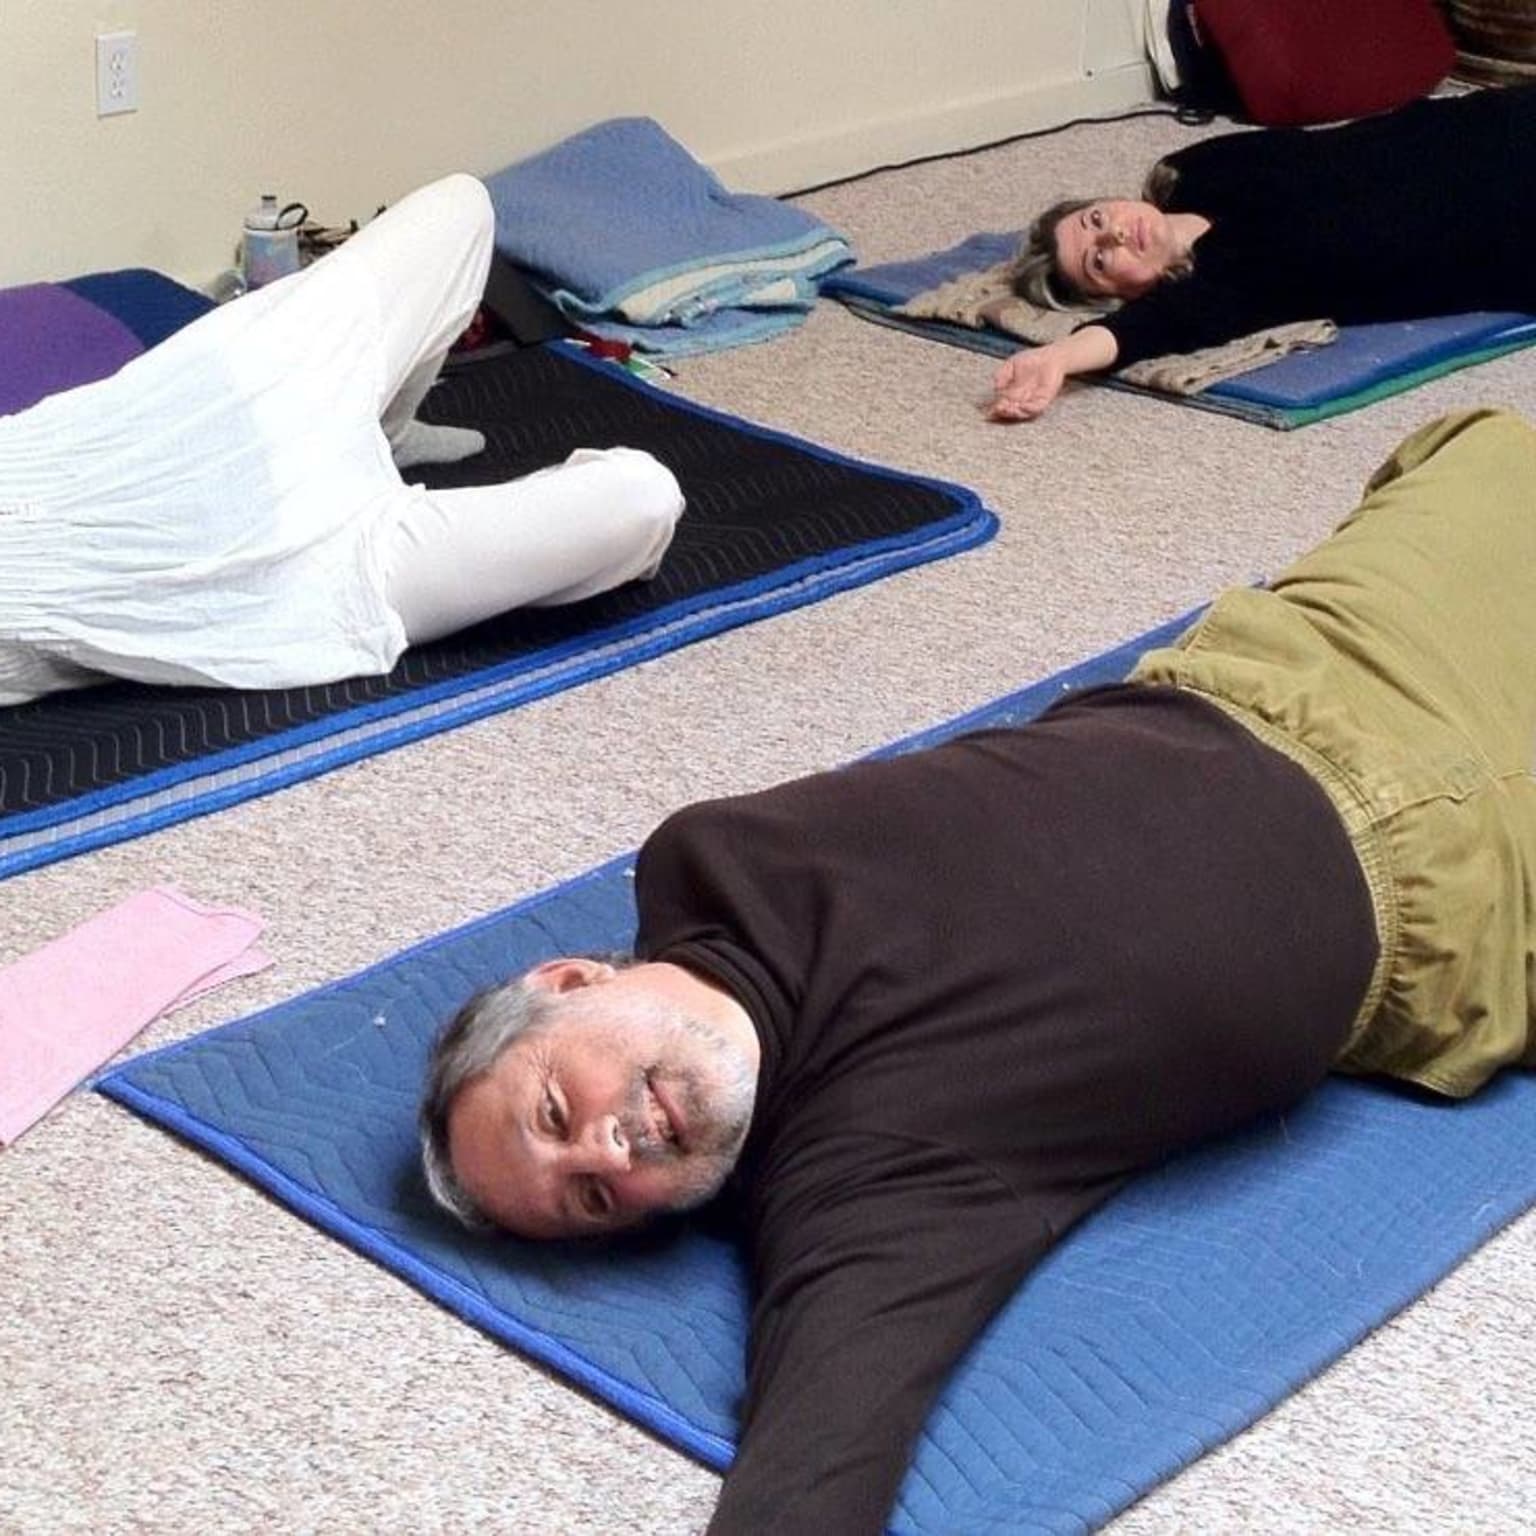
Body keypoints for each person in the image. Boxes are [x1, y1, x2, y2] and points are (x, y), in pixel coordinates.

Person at [419, 405, 1536, 1532]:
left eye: (556, 1111)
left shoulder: (710, 853)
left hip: (1297, 679)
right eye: (594, 1202)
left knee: (1489, 450)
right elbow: (821, 1446)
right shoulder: (864, 1186)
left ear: (569, 983)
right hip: (1469, 897)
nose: (607, 1152)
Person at [0, 174, 684, 704]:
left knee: (462, 206)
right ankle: (383, 450)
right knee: (644, 498)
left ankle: (387, 430)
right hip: (290, 566)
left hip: (214, 399)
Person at [989, 85, 1536, 421]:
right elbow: (1138, 333)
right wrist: (1058, 359)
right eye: (1099, 262)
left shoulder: (1193, 169)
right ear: (1119, 296)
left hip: (1492, 125)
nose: (1113, 235)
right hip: (1511, 227)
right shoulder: (1220, 287)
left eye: (1096, 219)